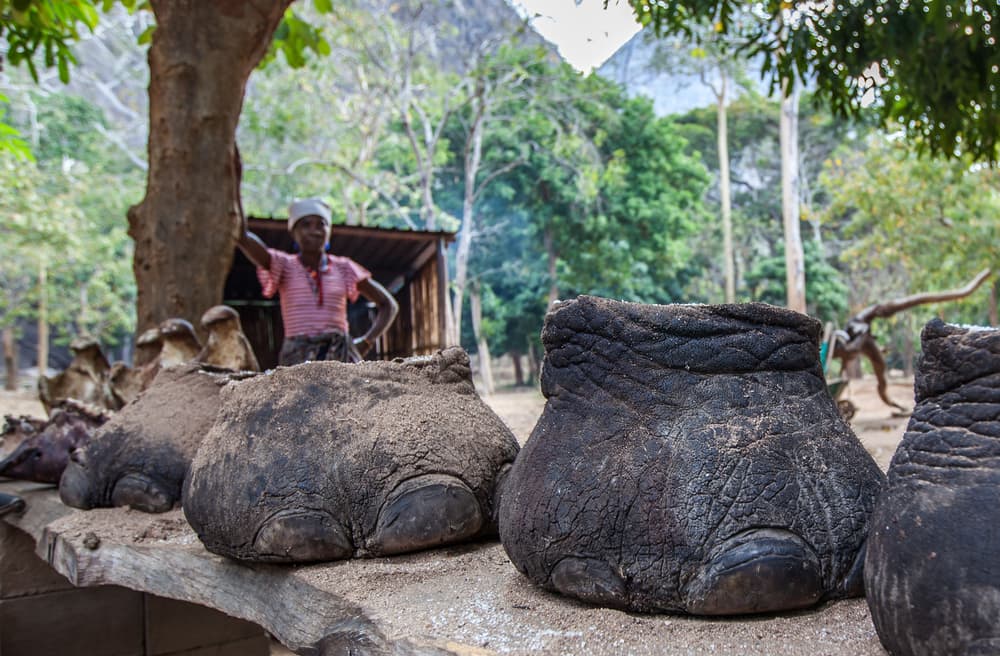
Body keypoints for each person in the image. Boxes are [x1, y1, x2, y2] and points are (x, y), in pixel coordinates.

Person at [237, 198, 398, 366]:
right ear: (294, 232)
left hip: (340, 355)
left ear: (328, 230)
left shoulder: (345, 268)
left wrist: (367, 341)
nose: (314, 231)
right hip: (297, 357)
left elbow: (388, 305)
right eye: (306, 224)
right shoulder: (283, 265)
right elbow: (243, 238)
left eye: (321, 224)